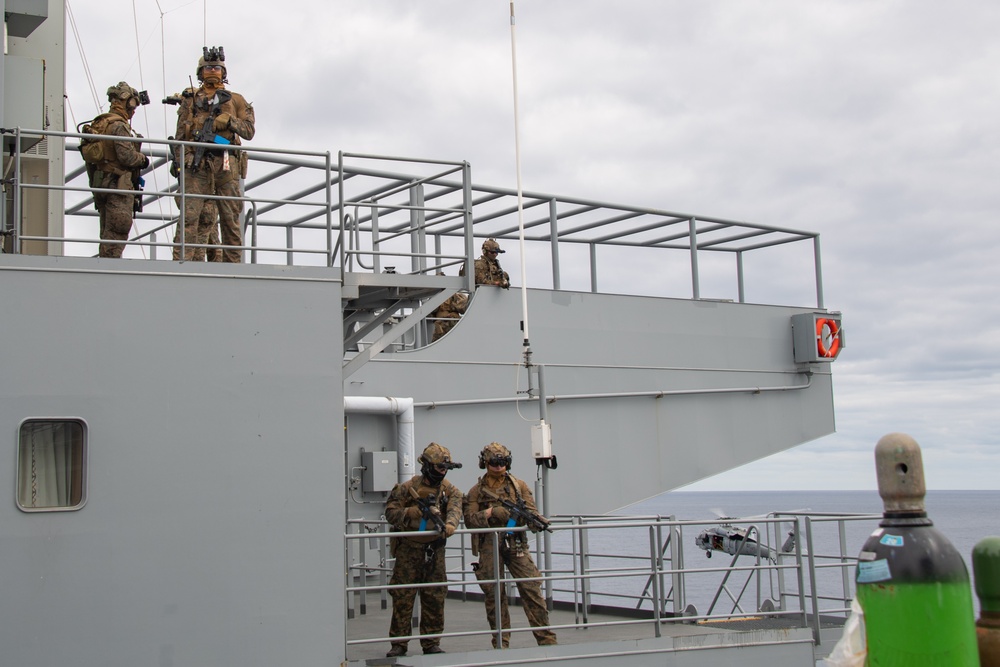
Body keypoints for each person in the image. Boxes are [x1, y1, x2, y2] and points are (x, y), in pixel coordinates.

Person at [464, 442, 557, 648]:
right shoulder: (476, 491)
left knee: (531, 587)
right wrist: (489, 513)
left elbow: (530, 511)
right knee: (494, 593)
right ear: (485, 463)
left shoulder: (519, 486)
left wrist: (530, 520)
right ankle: (501, 641)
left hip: (515, 542)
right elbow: (470, 519)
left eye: (503, 462)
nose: (499, 466)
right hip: (489, 544)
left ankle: (546, 640)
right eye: (494, 462)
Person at [172, 46, 255, 262]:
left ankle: (232, 266)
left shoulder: (235, 100)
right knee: (189, 217)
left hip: (226, 163)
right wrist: (182, 161)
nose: (212, 71)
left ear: (223, 72)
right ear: (200, 72)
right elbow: (180, 135)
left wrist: (230, 121)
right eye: (208, 67)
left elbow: (249, 132)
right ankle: (181, 263)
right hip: (197, 163)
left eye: (217, 68)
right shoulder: (190, 101)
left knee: (230, 218)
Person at [384, 443, 464, 657]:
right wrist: (411, 512)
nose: (442, 471)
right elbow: (390, 512)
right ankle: (399, 644)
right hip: (408, 551)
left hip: (435, 551)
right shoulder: (407, 487)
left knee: (435, 596)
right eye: (439, 467)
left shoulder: (450, 490)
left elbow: (456, 509)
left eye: (445, 468)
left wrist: (450, 524)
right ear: (427, 466)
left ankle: (431, 643)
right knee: (403, 596)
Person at [88, 82, 150, 258]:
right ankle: (109, 268)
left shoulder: (100, 123)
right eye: (133, 104)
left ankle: (106, 262)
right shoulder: (119, 126)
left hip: (101, 182)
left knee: (107, 231)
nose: (134, 110)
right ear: (127, 102)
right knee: (118, 230)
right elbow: (126, 157)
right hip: (117, 186)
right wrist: (143, 160)